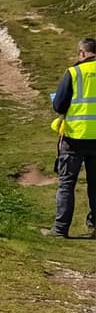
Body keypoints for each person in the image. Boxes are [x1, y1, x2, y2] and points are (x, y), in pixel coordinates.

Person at [46, 37, 96, 238]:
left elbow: (58, 105)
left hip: (74, 137)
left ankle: (60, 229)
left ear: (82, 53)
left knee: (67, 183)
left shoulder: (74, 73)